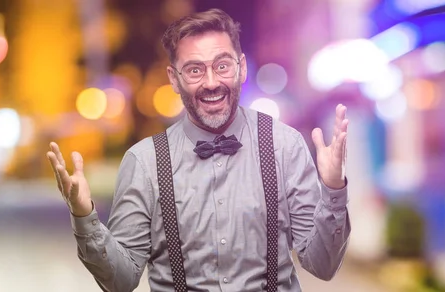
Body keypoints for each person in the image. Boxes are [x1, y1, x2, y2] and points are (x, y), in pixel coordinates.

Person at [46, 8, 350, 292]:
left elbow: (322, 266)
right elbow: (121, 281)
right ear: (174, 79)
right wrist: (84, 216)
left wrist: (334, 189)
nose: (211, 82)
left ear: (241, 68)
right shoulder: (144, 162)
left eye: (222, 66)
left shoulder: (285, 146)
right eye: (194, 70)